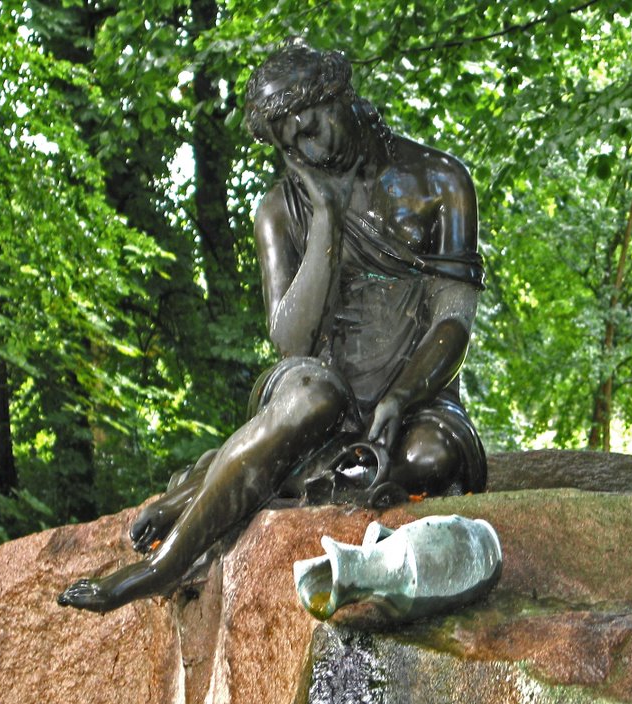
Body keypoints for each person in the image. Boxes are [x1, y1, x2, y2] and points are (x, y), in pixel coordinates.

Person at [58, 39, 486, 614]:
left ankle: (209, 484)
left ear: (341, 96)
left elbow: (452, 323)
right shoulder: (281, 210)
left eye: (310, 128)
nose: (307, 150)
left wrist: (403, 395)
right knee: (311, 399)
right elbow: (290, 341)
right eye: (290, 147)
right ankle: (165, 565)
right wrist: (327, 220)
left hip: (416, 394)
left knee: (431, 460)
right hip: (318, 388)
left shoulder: (442, 181)